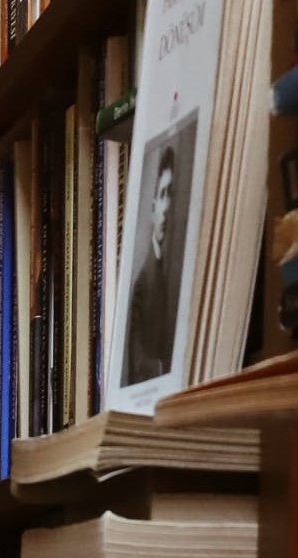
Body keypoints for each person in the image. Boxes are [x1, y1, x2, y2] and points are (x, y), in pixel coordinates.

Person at [124, 141, 181, 384]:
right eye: (162, 194)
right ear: (153, 206)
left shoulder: (166, 272)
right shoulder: (140, 282)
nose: (166, 206)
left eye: (170, 194)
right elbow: (137, 363)